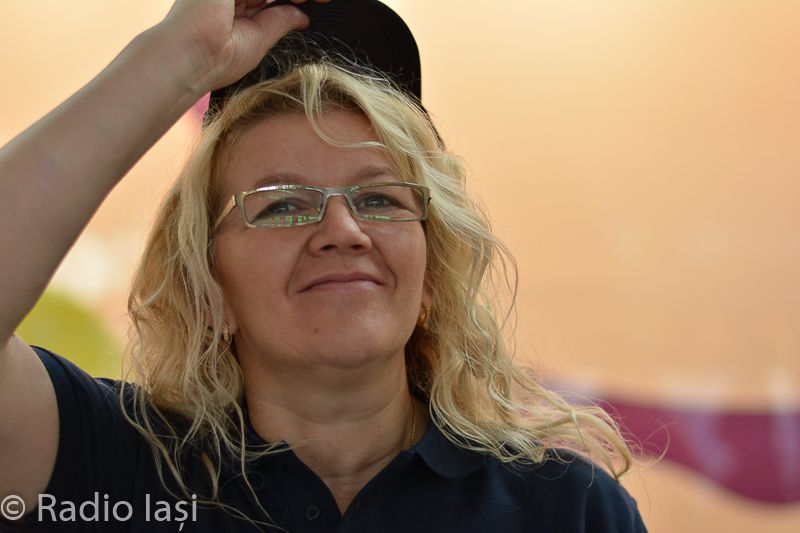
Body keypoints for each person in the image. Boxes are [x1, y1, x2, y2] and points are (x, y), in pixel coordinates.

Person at [0, 0, 647, 531]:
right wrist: (181, 56)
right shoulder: (114, 468)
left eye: (379, 198)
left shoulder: (567, 509)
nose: (342, 231)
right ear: (208, 290)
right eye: (281, 204)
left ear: (431, 277)